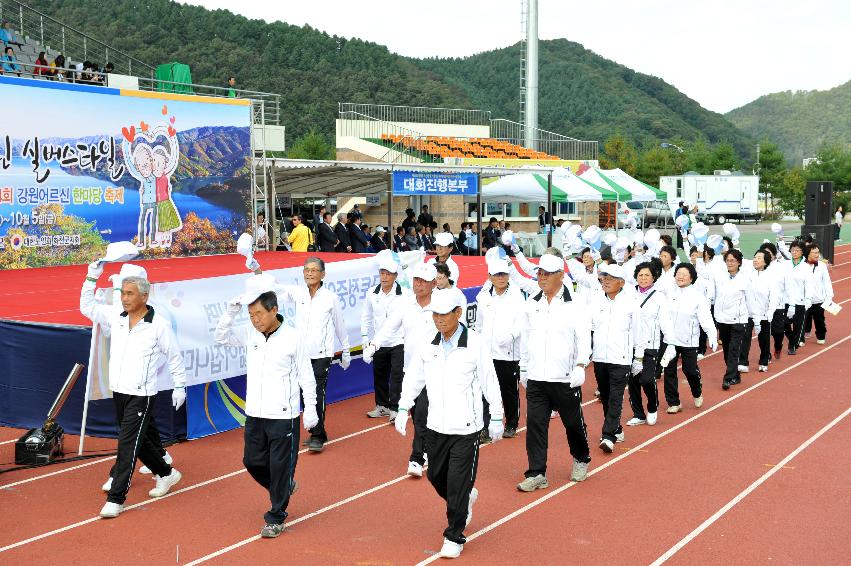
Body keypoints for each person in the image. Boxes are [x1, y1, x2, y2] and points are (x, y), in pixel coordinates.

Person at [395, 289, 503, 559]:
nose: (439, 319)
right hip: (435, 426)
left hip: (466, 428)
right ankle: (465, 499)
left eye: (445, 314)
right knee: (435, 476)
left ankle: (454, 534)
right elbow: (415, 378)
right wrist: (403, 406)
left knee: (456, 484)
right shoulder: (427, 344)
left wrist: (498, 416)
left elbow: (490, 381)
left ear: (458, 313)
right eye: (435, 314)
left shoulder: (475, 344)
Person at [214, 274, 318, 538]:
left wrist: (312, 409)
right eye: (251, 315)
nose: (255, 319)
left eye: (259, 314)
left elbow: (306, 375)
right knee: (252, 461)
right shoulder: (251, 334)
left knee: (281, 466)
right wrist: (230, 312)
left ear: (274, 310)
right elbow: (221, 337)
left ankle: (276, 516)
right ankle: (282, 486)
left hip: (284, 415)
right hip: (255, 413)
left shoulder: (293, 337)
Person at [80, 261, 185, 519]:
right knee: (139, 442)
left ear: (144, 296)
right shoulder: (116, 315)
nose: (124, 299)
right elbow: (87, 307)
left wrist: (179, 386)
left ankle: (116, 499)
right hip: (119, 391)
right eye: (122, 293)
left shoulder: (158, 324)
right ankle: (167, 473)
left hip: (142, 394)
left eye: (129, 294)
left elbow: (174, 356)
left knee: (127, 444)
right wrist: (92, 277)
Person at [517, 254, 592, 492]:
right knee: (536, 426)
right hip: (538, 378)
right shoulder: (532, 303)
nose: (542, 278)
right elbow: (526, 339)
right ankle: (537, 472)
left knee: (573, 423)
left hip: (564, 378)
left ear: (561, 275)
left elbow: (584, 337)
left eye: (547, 274)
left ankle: (581, 457)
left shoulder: (576, 303)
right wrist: (524, 367)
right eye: (539, 273)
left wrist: (581, 364)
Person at [366, 263, 439, 477]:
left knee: (422, 415)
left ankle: (416, 458)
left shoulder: (443, 304)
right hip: (411, 370)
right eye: (416, 279)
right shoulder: (406, 304)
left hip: (436, 370)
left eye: (424, 281)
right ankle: (427, 448)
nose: (419, 284)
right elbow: (389, 327)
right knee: (418, 414)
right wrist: (373, 344)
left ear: (434, 283)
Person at [274, 258, 351, 452]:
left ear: (322, 274)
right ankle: (319, 431)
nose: (309, 273)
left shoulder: (330, 297)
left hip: (322, 354)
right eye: (306, 270)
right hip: (301, 355)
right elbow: (272, 288)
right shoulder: (298, 293)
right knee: (304, 393)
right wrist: (255, 267)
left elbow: (339, 324)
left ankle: (317, 436)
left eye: (314, 270)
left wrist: (346, 349)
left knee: (316, 393)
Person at [590, 263, 638, 452]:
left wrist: (639, 357)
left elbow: (638, 332)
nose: (606, 281)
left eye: (610, 278)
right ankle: (616, 428)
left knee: (616, 396)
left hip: (621, 358)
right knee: (606, 395)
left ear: (622, 282)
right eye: (604, 278)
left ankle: (608, 435)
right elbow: (590, 328)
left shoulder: (630, 303)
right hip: (600, 357)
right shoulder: (596, 301)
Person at [475, 259, 525, 439]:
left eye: (504, 274)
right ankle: (485, 425)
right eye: (497, 275)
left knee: (508, 390)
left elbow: (521, 321)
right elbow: (479, 324)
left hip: (509, 353)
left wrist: (511, 336)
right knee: (485, 390)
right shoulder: (483, 297)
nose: (501, 278)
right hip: (487, 353)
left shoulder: (516, 295)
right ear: (490, 277)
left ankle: (511, 423)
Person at [660, 263, 717, 413]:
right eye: (678, 273)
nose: (680, 276)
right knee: (669, 371)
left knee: (689, 370)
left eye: (684, 274)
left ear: (692, 278)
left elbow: (706, 319)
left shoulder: (698, 297)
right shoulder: (668, 293)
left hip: (689, 341)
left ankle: (697, 392)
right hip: (670, 340)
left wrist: (712, 334)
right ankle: (674, 402)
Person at [361, 258, 409, 420]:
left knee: (396, 375)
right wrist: (364, 338)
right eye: (382, 273)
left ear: (395, 276)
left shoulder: (404, 294)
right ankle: (382, 406)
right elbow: (366, 316)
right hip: (378, 342)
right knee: (379, 374)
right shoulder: (371, 293)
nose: (384, 277)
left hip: (398, 341)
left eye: (388, 274)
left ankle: (395, 408)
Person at [627, 261, 667, 427]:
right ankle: (638, 413)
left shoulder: (659, 297)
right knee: (633, 381)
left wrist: (670, 342)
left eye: (647, 275)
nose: (643, 278)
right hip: (631, 345)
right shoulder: (629, 295)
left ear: (654, 277)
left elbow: (665, 321)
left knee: (647, 380)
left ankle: (652, 406)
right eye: (640, 275)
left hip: (650, 345)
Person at [712, 249, 754, 389]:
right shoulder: (719, 276)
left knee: (734, 349)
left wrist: (754, 319)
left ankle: (728, 378)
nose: (730, 263)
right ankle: (735, 374)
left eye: (733, 260)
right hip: (722, 319)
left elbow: (750, 300)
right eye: (728, 260)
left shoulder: (745, 278)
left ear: (739, 262)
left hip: (738, 320)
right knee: (726, 350)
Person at [745, 250, 781, 373]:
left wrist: (770, 311)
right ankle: (743, 362)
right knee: (745, 338)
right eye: (755, 257)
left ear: (766, 261)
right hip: (748, 313)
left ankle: (764, 360)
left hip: (764, 314)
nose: (755, 260)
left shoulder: (771, 277)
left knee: (764, 339)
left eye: (759, 258)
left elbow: (774, 296)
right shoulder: (747, 274)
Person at [781, 240, 810, 355]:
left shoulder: (806, 267)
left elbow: (809, 285)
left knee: (798, 326)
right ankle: (793, 339)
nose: (794, 252)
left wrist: (808, 299)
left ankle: (792, 345)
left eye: (797, 250)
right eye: (792, 250)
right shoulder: (785, 264)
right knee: (784, 324)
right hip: (786, 300)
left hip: (800, 301)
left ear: (802, 252)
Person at [803, 243, 833, 345]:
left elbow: (827, 282)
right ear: (808, 253)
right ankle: (804, 333)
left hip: (818, 299)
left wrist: (829, 297)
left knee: (819, 319)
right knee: (804, 318)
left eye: (817, 252)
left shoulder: (822, 266)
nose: (817, 254)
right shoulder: (801, 265)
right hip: (804, 299)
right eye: (814, 252)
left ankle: (821, 335)